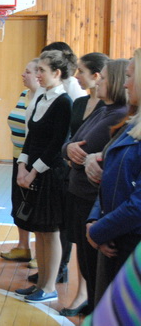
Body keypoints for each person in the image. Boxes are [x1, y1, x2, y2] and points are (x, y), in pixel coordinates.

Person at [60, 58, 128, 316]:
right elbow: (72, 143)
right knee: (87, 264)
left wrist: (76, 152)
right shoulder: (102, 110)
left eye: (104, 78)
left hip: (91, 197)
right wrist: (69, 149)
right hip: (81, 194)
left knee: (95, 268)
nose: (98, 82)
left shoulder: (119, 115)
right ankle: (91, 305)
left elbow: (86, 148)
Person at [14, 50, 73, 304]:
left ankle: (49, 286)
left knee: (51, 232)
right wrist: (22, 165)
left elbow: (56, 143)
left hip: (51, 174)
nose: (37, 74)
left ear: (57, 73)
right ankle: (40, 283)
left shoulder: (64, 102)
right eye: (36, 70)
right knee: (39, 230)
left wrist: (34, 171)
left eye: (42, 70)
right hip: (34, 171)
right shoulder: (40, 97)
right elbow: (32, 137)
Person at [86, 48, 141, 305]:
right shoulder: (132, 124)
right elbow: (110, 178)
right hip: (114, 237)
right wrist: (95, 219)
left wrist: (98, 231)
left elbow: (138, 205)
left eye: (130, 76)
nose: (125, 83)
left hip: (130, 242)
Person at [1, 59, 40, 262]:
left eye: (28, 72)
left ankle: (40, 253)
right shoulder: (24, 94)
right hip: (18, 156)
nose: (23, 75)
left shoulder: (45, 99)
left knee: (36, 204)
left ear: (39, 75)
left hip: (36, 158)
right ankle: (23, 246)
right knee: (19, 201)